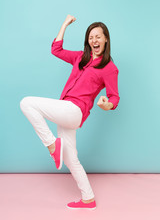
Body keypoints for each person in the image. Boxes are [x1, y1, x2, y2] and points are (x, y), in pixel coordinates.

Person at [20, 14, 120, 210]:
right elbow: (55, 49)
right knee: (70, 159)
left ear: (106, 39)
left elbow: (114, 97)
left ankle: (51, 145)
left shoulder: (110, 68)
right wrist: (65, 24)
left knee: (27, 103)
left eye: (98, 37)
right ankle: (88, 199)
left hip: (75, 111)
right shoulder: (80, 58)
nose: (94, 41)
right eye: (91, 38)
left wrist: (106, 104)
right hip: (65, 111)